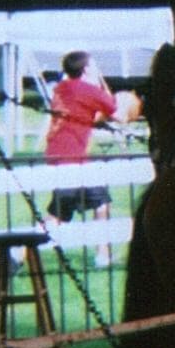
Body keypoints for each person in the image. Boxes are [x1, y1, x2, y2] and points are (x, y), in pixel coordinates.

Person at [45, 50, 118, 263]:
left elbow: (86, 113)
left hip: (58, 154)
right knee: (100, 204)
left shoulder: (61, 88)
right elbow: (115, 111)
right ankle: (102, 255)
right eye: (93, 65)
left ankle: (18, 254)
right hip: (73, 157)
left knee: (60, 211)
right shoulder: (89, 90)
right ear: (86, 69)